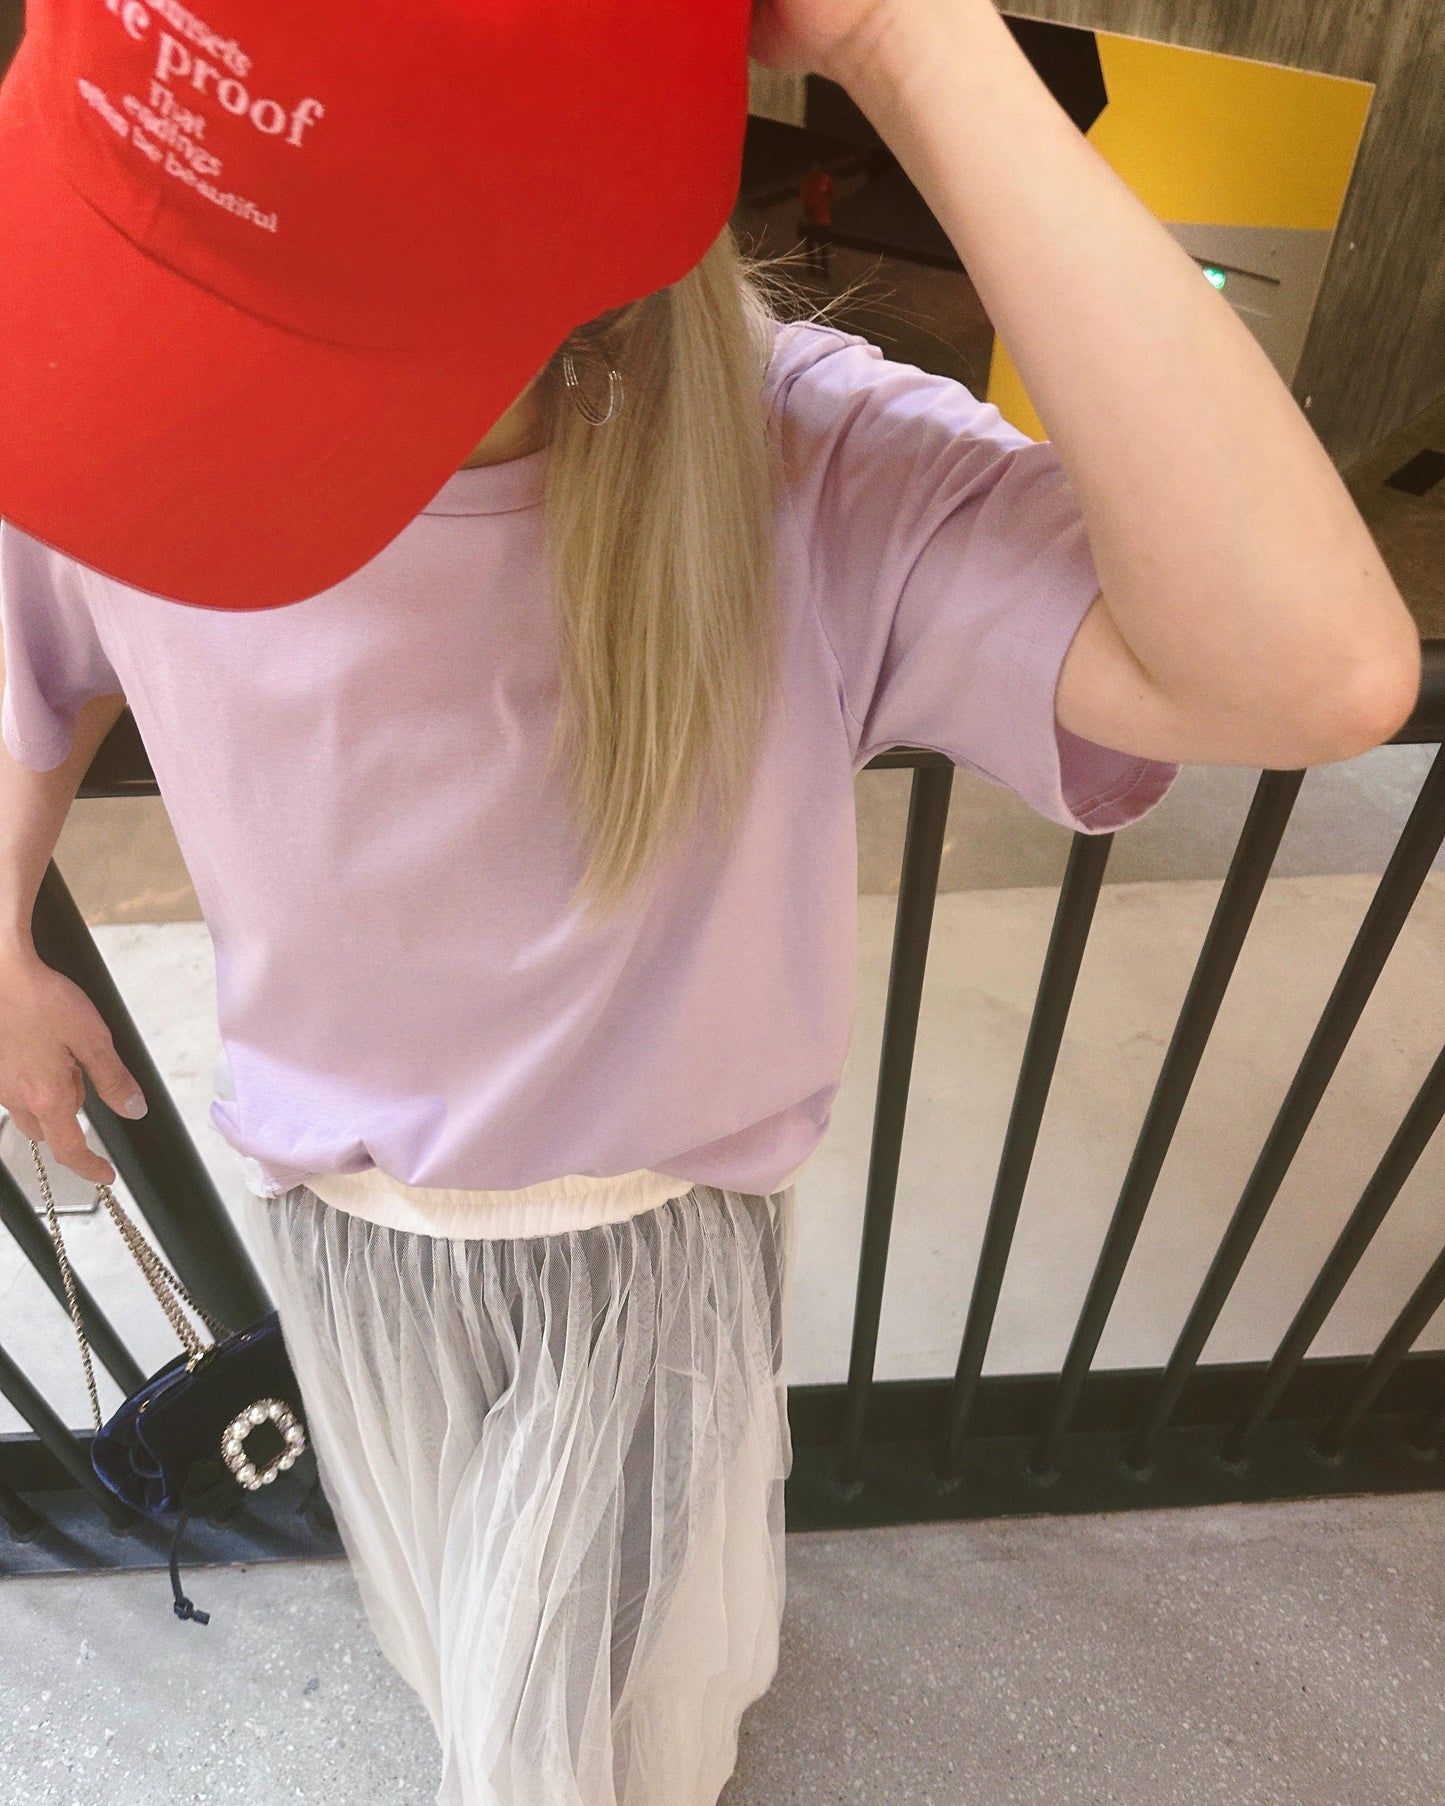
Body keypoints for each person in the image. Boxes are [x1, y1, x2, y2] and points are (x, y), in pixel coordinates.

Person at [0, 0, 1419, 1802]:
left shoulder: (807, 470)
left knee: (578, 1738)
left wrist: (910, 42)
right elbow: (37, 646)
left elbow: (1311, 668)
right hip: (336, 1220)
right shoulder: (110, 368)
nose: (163, 396)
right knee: (456, 1616)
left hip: (649, 1260)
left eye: (258, 331)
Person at [797, 158, 836, 279]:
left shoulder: (820, 179)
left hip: (819, 216)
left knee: (820, 245)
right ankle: (815, 269)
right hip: (815, 216)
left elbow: (829, 195)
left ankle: (819, 269)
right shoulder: (817, 179)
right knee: (813, 244)